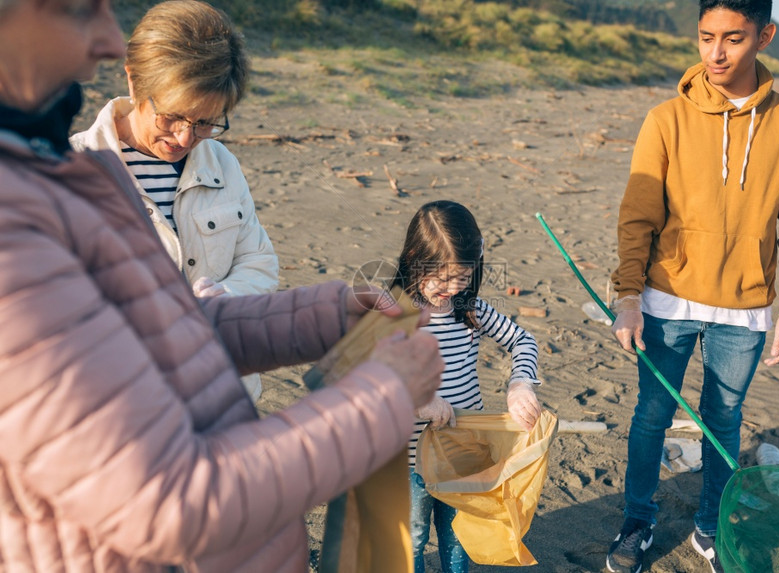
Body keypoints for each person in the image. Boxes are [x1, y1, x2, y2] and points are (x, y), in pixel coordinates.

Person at [0, 0, 444, 571]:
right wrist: (381, 398)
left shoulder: (69, 174)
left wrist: (325, 316)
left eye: (206, 121)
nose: (112, 39)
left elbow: (159, 324)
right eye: (80, 9)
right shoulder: (21, 216)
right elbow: (171, 506)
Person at [606, 1, 779, 572]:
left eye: (733, 38)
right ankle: (637, 522)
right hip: (665, 299)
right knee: (652, 415)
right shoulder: (665, 119)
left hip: (745, 308)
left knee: (723, 420)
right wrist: (627, 296)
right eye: (706, 38)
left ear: (765, 36)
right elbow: (637, 217)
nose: (716, 53)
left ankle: (710, 526)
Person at [71, 0, 276, 402]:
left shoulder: (221, 163)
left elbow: (259, 261)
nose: (184, 138)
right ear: (134, 81)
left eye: (205, 122)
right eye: (171, 117)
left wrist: (228, 299)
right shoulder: (70, 172)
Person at [390, 200, 543, 573]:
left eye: (462, 276)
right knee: (412, 533)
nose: (451, 288)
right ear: (414, 259)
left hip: (463, 451)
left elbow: (523, 341)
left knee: (458, 532)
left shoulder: (470, 309)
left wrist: (520, 384)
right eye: (441, 278)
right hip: (408, 458)